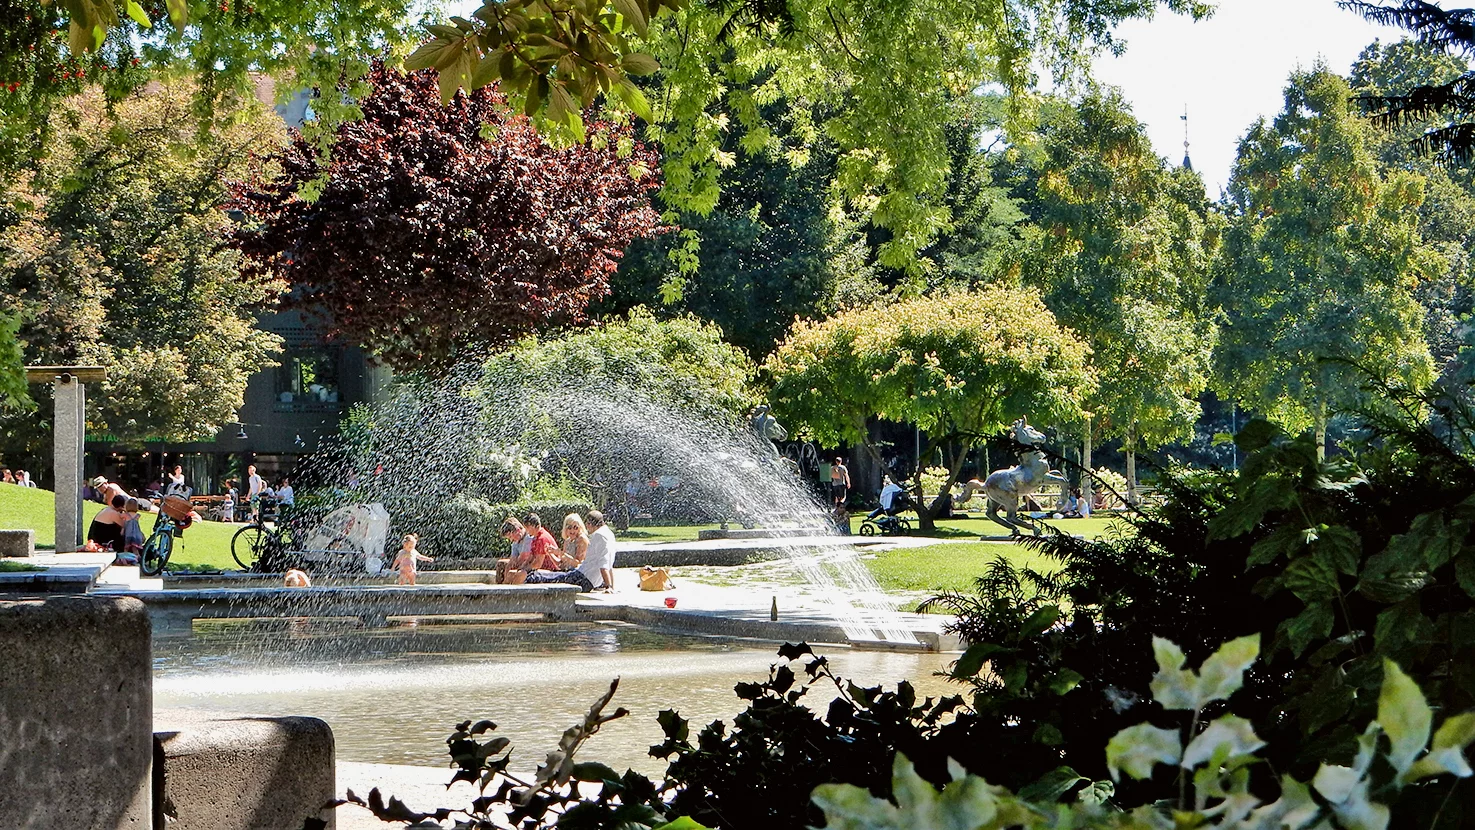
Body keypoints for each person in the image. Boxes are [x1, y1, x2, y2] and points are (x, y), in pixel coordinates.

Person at [527, 510, 615, 592]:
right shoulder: (608, 534)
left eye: (575, 527)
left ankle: (531, 578)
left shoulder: (598, 535)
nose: (587, 528)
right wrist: (552, 554)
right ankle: (532, 576)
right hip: (583, 577)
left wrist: (608, 586)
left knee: (541, 578)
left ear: (589, 524)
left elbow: (604, 562)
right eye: (569, 527)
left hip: (584, 578)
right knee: (552, 577)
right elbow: (609, 563)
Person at [496, 518, 534, 583]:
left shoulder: (528, 538)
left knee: (513, 571)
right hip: (523, 562)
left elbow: (523, 558)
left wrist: (511, 572)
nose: (511, 540)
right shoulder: (515, 542)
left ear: (518, 531)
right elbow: (512, 560)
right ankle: (502, 586)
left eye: (510, 537)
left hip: (532, 563)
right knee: (501, 564)